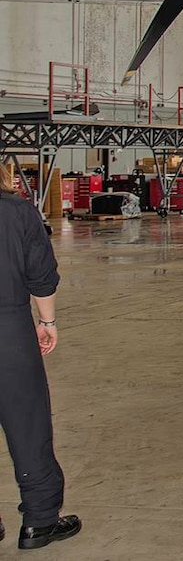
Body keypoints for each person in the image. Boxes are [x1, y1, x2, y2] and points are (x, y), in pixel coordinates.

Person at [0, 163, 82, 549]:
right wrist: (47, 321)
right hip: (9, 328)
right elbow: (41, 274)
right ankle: (39, 520)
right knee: (27, 421)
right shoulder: (17, 212)